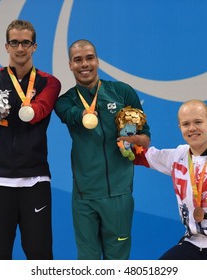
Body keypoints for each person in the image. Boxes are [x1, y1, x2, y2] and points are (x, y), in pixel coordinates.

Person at [0, 19, 61, 260]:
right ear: (6, 46)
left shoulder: (49, 82)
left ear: (34, 46)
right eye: (15, 43)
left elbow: (39, 111)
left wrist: (11, 107)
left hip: (35, 180)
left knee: (40, 256)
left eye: (25, 43)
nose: (20, 48)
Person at [54, 39, 150, 260]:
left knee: (117, 262)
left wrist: (131, 137)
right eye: (78, 60)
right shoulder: (65, 101)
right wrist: (83, 115)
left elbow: (146, 138)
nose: (84, 64)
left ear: (97, 61)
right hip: (84, 196)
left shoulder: (122, 92)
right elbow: (69, 115)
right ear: (70, 65)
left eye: (89, 58)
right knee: (88, 263)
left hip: (119, 194)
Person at [122, 99, 207, 260]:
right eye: (186, 124)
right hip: (193, 242)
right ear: (180, 128)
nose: (192, 128)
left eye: (198, 122)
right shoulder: (178, 155)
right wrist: (125, 134)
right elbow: (140, 156)